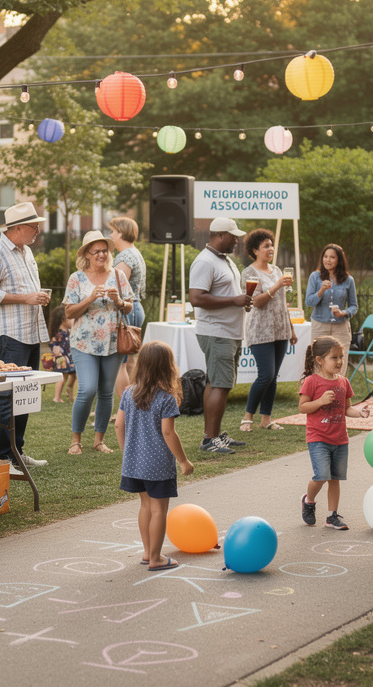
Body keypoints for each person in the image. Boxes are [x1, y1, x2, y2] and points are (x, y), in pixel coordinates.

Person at [0, 202, 51, 467]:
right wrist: (25, 298)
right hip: (10, 334)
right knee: (9, 394)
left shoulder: (26, 252)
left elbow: (25, 290)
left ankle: (16, 452)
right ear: (17, 228)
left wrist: (37, 297)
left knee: (25, 393)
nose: (38, 231)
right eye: (34, 226)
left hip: (30, 331)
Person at [115, 341, 194, 571]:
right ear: (167, 367)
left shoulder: (128, 393)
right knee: (159, 509)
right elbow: (168, 432)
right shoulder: (166, 398)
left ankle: (148, 552)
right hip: (158, 465)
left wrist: (126, 453)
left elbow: (119, 425)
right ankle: (156, 558)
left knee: (145, 506)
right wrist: (183, 461)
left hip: (135, 463)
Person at [63, 230, 132, 455]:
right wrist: (90, 298)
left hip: (113, 342)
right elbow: (69, 312)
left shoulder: (118, 275)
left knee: (106, 392)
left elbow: (129, 306)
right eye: (96, 251)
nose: (102, 254)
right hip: (84, 343)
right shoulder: (76, 278)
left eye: (104, 250)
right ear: (87, 254)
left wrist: (119, 301)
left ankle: (99, 440)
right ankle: (76, 440)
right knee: (87, 389)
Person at [188, 217, 252, 454]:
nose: (236, 241)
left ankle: (214, 434)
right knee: (220, 384)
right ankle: (210, 440)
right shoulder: (205, 261)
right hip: (217, 332)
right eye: (233, 237)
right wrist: (234, 300)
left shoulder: (224, 260)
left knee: (217, 383)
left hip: (229, 331)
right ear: (220, 235)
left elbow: (226, 293)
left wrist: (240, 301)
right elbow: (196, 298)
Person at [297, 336, 370, 530]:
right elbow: (303, 407)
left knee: (335, 478)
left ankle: (332, 516)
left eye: (341, 357)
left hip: (340, 439)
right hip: (318, 438)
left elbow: (347, 408)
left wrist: (359, 412)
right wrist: (320, 401)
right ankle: (309, 500)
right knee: (321, 475)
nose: (339, 361)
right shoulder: (312, 382)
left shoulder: (343, 382)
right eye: (334, 357)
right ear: (319, 360)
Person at [240, 228, 297, 433]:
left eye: (271, 245)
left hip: (281, 330)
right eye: (266, 246)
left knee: (273, 377)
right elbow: (256, 302)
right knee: (266, 374)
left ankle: (266, 419)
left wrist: (291, 329)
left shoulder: (278, 270)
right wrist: (276, 286)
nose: (271, 249)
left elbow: (283, 304)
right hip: (260, 330)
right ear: (255, 250)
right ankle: (247, 417)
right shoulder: (249, 273)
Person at [305, 244, 358, 376]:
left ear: (339, 260)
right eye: (326, 256)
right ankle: (320, 389)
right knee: (318, 363)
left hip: (341, 327)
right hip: (319, 326)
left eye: (332, 257)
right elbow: (309, 302)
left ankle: (338, 388)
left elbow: (354, 306)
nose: (328, 260)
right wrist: (321, 291)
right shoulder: (315, 277)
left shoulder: (348, 280)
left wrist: (343, 313)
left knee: (340, 363)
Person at [109, 216, 146, 401]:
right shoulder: (134, 253)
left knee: (119, 365)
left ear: (121, 233)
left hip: (126, 311)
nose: (110, 235)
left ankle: (125, 408)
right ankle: (135, 404)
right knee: (130, 361)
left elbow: (116, 287)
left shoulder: (125, 256)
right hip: (135, 308)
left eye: (113, 231)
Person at [42, 304, 77, 402]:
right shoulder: (59, 334)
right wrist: (58, 353)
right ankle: (56, 397)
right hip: (62, 359)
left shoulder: (68, 332)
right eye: (70, 319)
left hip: (69, 359)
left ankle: (69, 389)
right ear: (63, 320)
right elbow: (54, 345)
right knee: (62, 377)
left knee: (74, 374)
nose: (72, 321)